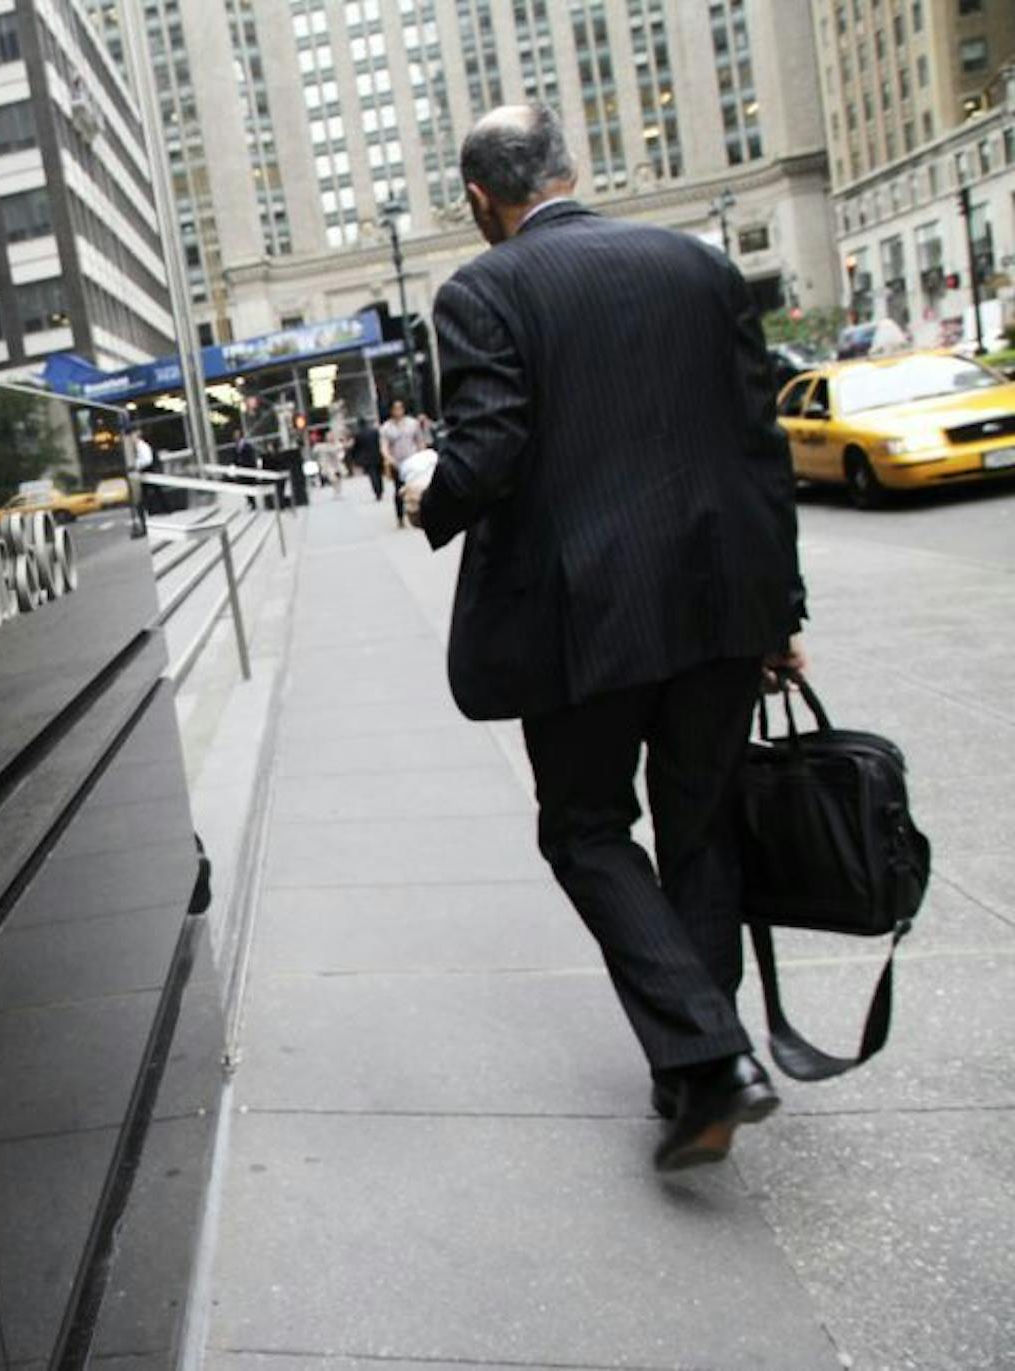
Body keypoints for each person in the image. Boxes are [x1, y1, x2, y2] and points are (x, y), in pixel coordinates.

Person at [400, 105, 807, 1172]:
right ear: (573, 170)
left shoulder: (483, 289)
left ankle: (710, 1064)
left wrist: (422, 497)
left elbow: (486, 451)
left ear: (480, 202)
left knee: (583, 830)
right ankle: (697, 1070)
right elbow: (760, 447)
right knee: (701, 826)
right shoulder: (699, 266)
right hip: (722, 605)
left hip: (585, 624)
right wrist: (781, 612)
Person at [379, 398, 426, 527]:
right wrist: (389, 458)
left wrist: (422, 454)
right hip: (397, 463)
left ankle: (419, 514)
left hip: (413, 461)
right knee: (399, 490)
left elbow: (420, 440)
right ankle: (400, 517)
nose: (398, 411)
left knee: (416, 488)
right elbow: (384, 446)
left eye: (400, 408)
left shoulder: (412, 423)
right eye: (395, 408)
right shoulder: (386, 428)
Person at [347, 414, 385, 502]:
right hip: (377, 455)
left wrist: (354, 457)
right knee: (379, 474)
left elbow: (355, 447)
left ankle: (377, 492)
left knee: (372, 475)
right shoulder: (374, 431)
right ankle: (381, 489)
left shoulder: (358, 434)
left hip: (367, 458)